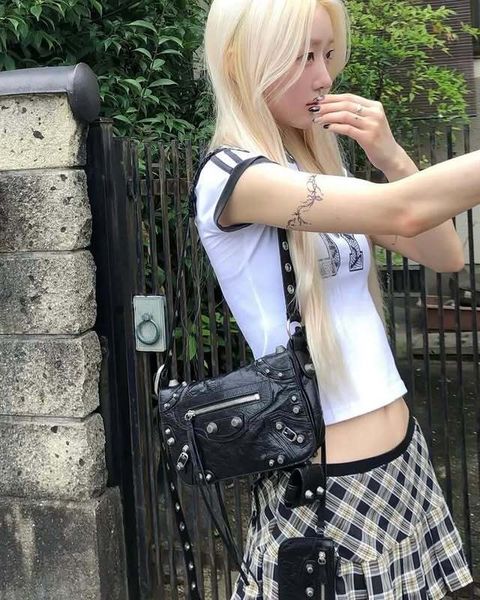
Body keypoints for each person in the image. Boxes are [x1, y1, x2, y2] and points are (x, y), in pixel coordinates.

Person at [193, 0, 478, 597]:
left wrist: (390, 155)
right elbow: (401, 210)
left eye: (327, 54)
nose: (324, 76)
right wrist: (396, 186)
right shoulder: (234, 178)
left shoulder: (314, 167)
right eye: (303, 56)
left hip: (402, 460)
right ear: (241, 60)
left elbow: (445, 253)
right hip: (329, 488)